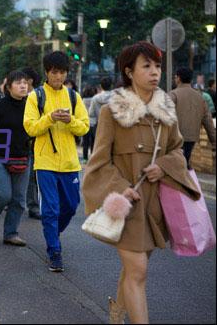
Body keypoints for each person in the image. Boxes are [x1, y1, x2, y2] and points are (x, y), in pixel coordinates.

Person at [83, 41, 201, 324]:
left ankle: (117, 309)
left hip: (156, 205)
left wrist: (162, 166)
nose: (154, 72)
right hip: (127, 204)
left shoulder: (165, 109)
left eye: (157, 66)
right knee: (138, 271)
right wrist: (118, 186)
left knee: (136, 267)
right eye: (146, 66)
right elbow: (98, 161)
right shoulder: (113, 111)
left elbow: (177, 150)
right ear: (129, 71)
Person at [23, 51, 89, 272]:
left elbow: (84, 126)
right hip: (45, 163)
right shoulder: (36, 96)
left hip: (70, 162)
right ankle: (54, 251)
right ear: (47, 72)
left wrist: (70, 120)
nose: (58, 77)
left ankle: (53, 233)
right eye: (54, 72)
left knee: (71, 206)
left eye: (61, 72)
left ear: (66, 73)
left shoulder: (73, 97)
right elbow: (30, 127)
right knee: (50, 209)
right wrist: (50, 118)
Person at [0, 70, 31, 246]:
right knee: (2, 195)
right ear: (8, 87)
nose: (23, 86)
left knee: (19, 199)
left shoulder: (31, 107)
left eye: (25, 82)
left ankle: (11, 233)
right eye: (18, 83)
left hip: (23, 157)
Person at [169, 67, 216, 169]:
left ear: (178, 78)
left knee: (176, 167)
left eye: (175, 77)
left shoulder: (173, 95)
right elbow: (208, 120)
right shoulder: (200, 97)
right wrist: (214, 141)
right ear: (191, 79)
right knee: (185, 161)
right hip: (192, 138)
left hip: (174, 138)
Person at [21, 67, 42, 220]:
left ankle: (33, 206)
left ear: (30, 81)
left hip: (34, 141)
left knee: (33, 176)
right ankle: (14, 201)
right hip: (17, 141)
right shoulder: (17, 96)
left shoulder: (40, 97)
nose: (21, 84)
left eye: (23, 80)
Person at [88, 77, 114, 154]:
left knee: (97, 146)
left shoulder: (95, 98)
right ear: (112, 86)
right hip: (112, 125)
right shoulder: (116, 97)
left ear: (101, 86)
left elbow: (91, 113)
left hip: (98, 124)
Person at [80, 85, 97, 162]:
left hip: (85, 122)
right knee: (93, 141)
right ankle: (93, 157)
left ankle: (85, 158)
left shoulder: (82, 100)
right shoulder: (95, 100)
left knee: (85, 141)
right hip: (94, 122)